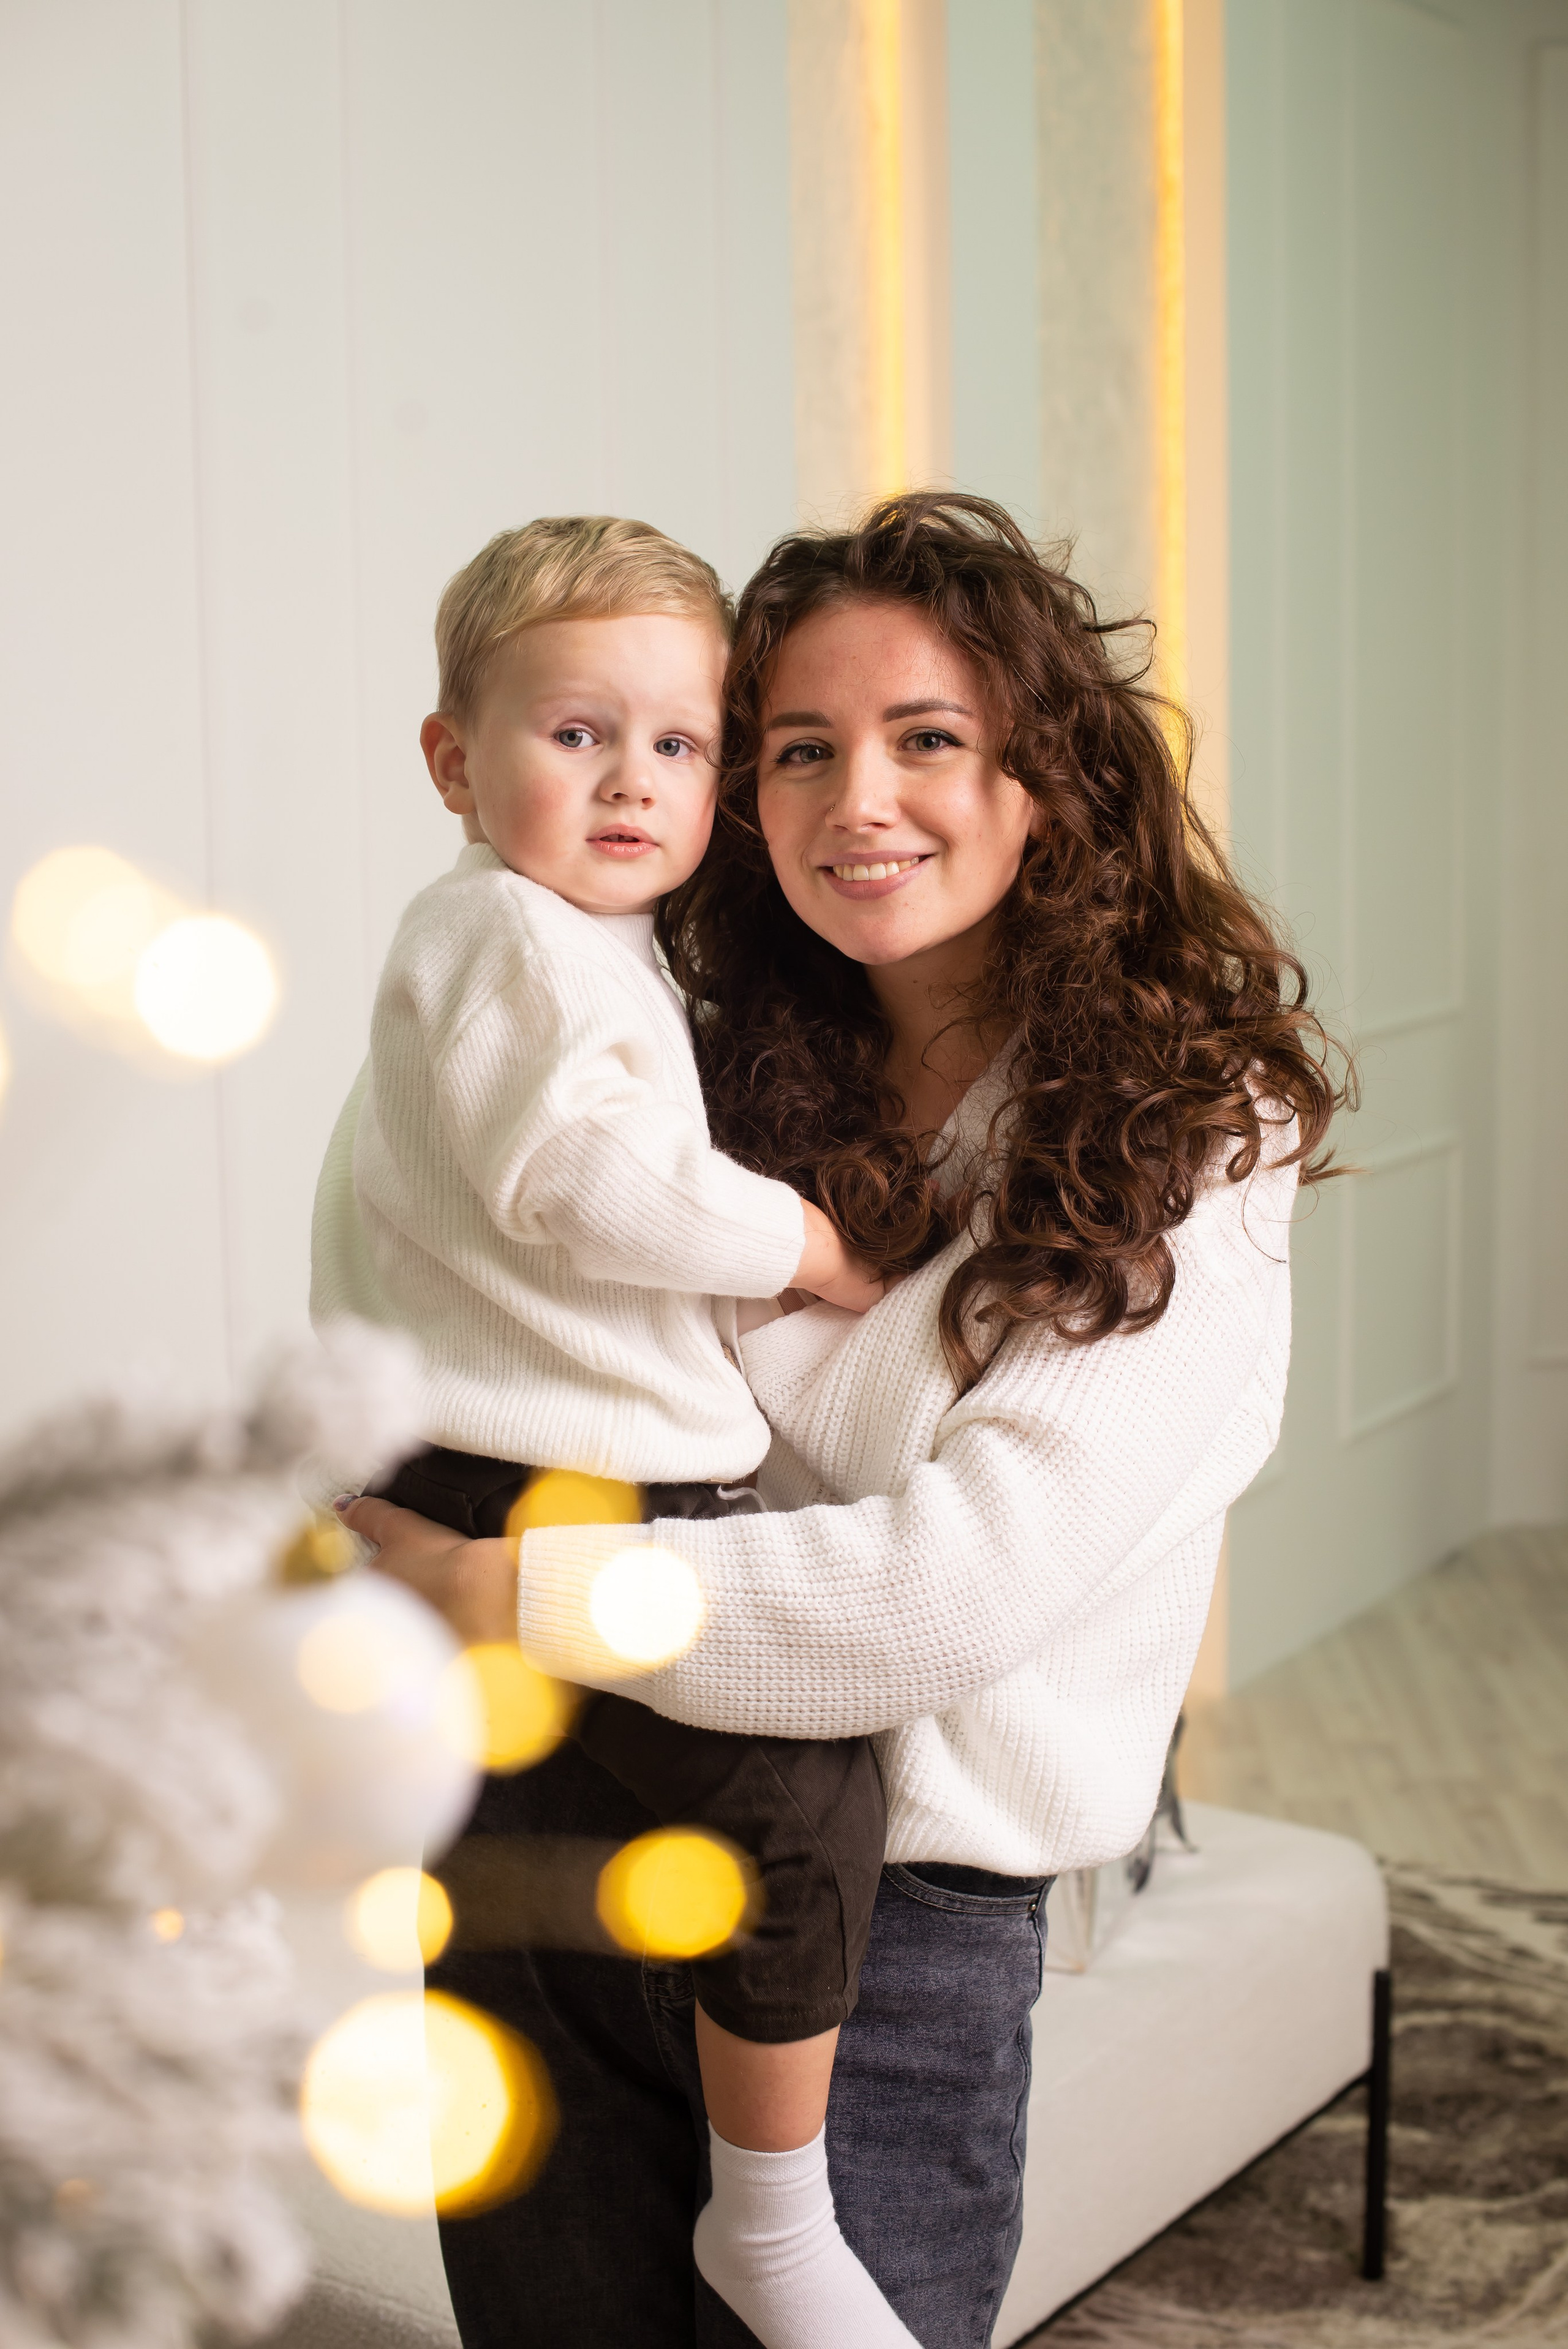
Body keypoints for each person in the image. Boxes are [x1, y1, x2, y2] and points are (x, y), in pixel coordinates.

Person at [342, 492, 1349, 2349]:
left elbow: (941, 1596)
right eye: (801, 748)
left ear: (1047, 774)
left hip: (879, 1941)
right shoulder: (700, 1053)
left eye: (929, 739)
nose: (855, 799)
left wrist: (501, 1592)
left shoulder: (1194, 1132)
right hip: (541, 1840)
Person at [311, 514, 922, 2349]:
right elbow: (587, 1178)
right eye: (577, 734)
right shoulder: (504, 929)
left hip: (521, 1462)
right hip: (540, 1480)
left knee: (532, 1918)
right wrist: (804, 1246)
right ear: (453, 758)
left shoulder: (599, 949)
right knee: (808, 1798)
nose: (633, 780)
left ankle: (674, 2243)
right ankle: (777, 2217)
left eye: (680, 743)